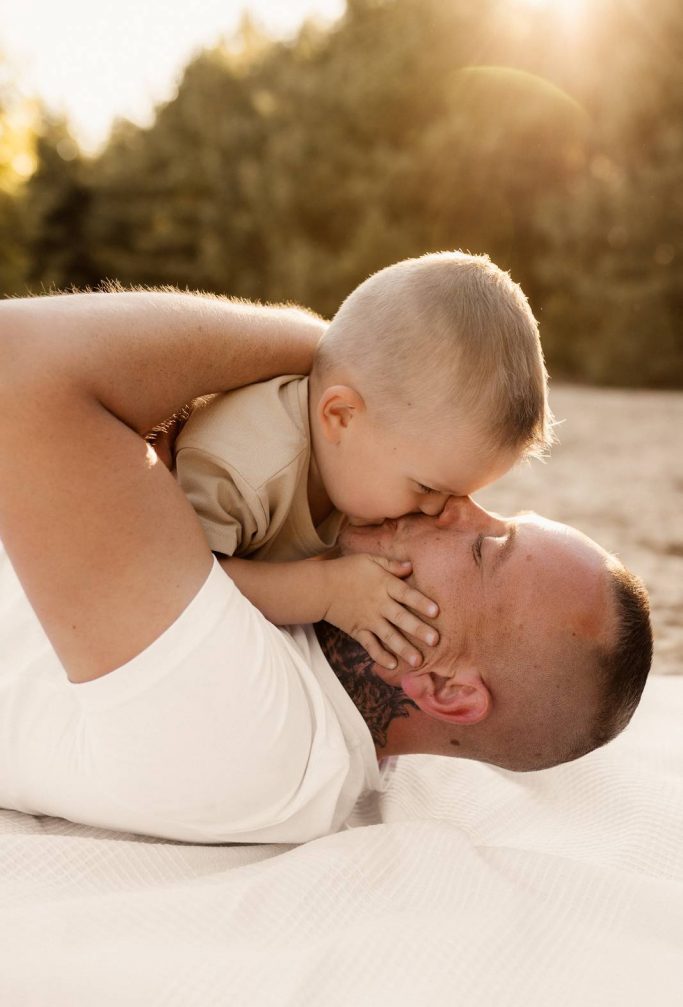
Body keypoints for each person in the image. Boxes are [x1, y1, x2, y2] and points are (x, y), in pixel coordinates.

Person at [0, 290, 652, 844]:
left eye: (485, 547)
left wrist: (332, 354)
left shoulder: (257, 732)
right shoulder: (306, 614)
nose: (458, 508)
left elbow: (17, 358)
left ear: (448, 689)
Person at [164, 251, 554, 671]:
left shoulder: (354, 462)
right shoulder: (241, 468)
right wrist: (328, 591)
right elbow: (179, 587)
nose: (438, 511)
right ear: (341, 416)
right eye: (427, 488)